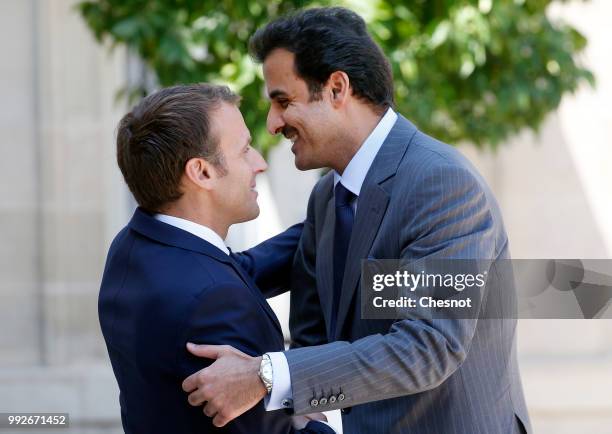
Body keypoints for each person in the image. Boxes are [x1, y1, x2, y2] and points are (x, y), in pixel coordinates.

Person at [182, 7, 532, 434]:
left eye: (283, 101)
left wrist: (264, 375)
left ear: (336, 88)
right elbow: (312, 333)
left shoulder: (442, 183)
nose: (273, 124)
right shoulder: (328, 198)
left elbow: (429, 346)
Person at [98, 83, 335, 434]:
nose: (259, 164)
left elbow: (235, 271)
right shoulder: (216, 301)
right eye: (245, 150)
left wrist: (337, 210)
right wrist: (313, 419)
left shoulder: (135, 245)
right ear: (202, 172)